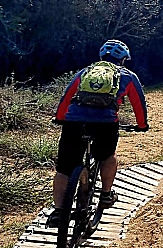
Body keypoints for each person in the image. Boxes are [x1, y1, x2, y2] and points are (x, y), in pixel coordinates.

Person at [47, 39, 149, 228]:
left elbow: (67, 96)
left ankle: (58, 211)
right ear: (123, 60)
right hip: (105, 124)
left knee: (64, 169)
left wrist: (60, 118)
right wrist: (142, 125)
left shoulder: (85, 72)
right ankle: (106, 195)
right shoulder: (127, 76)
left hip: (74, 123)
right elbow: (138, 104)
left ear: (102, 57)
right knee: (107, 156)